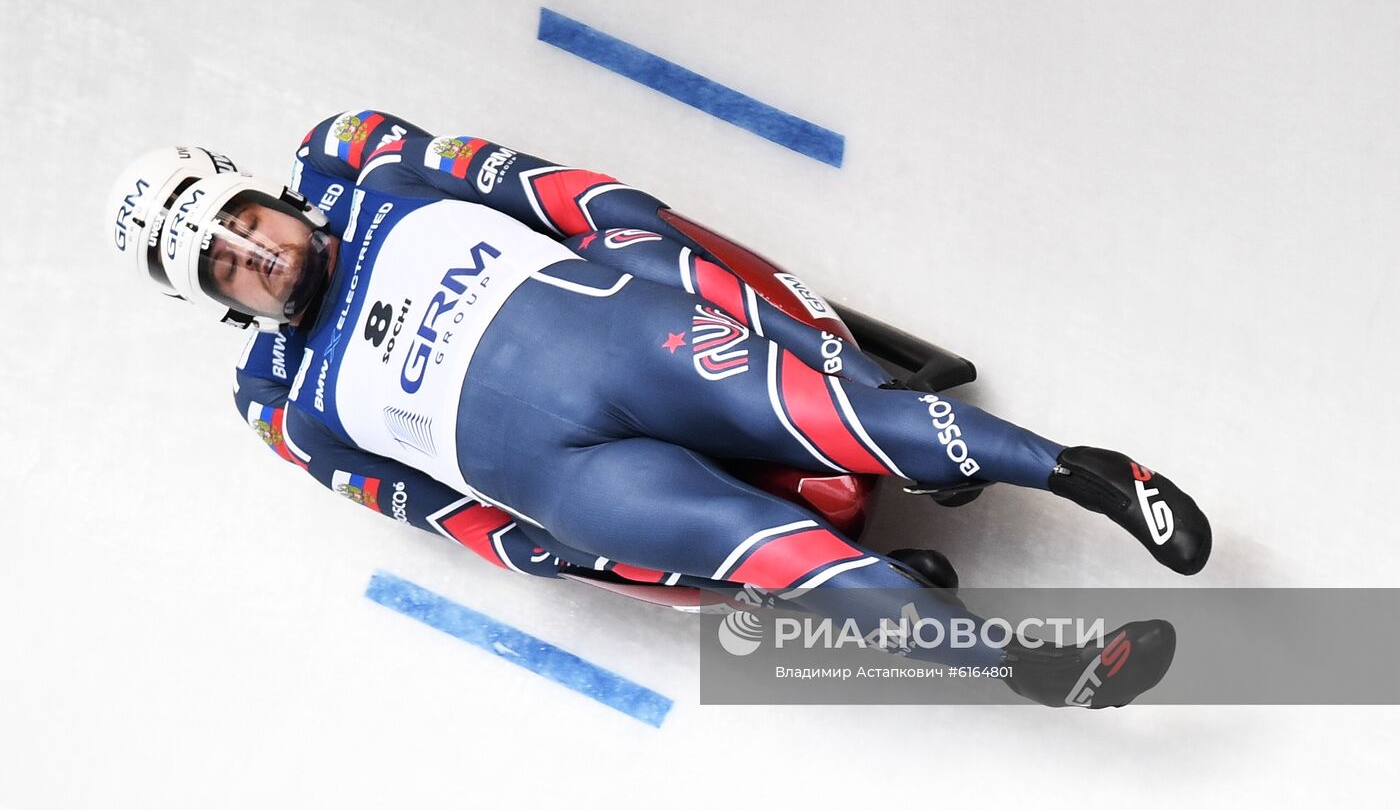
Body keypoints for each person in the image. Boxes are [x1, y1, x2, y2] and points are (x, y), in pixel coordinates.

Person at [106, 110, 1210, 707]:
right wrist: (549, 552)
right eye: (225, 268)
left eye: (245, 221)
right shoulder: (279, 404)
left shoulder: (360, 159)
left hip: (628, 341)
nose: (257, 257)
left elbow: (544, 190)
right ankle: (1033, 669)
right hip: (574, 483)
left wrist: (657, 252)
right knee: (776, 557)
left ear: (260, 186)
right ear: (216, 305)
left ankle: (1093, 474)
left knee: (840, 419)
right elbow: (429, 507)